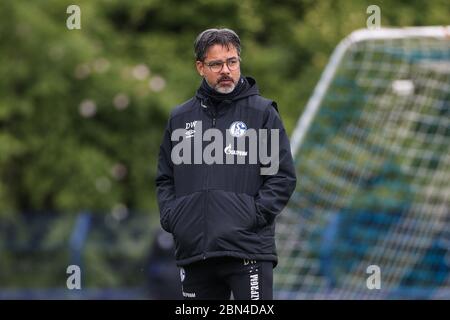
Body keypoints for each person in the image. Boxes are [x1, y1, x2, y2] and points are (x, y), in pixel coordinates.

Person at [155, 28, 296, 300]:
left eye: (232, 62)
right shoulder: (180, 118)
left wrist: (252, 215)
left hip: (248, 250)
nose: (226, 70)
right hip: (195, 252)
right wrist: (175, 218)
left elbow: (281, 177)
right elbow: (165, 179)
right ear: (200, 67)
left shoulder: (261, 113)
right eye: (216, 64)